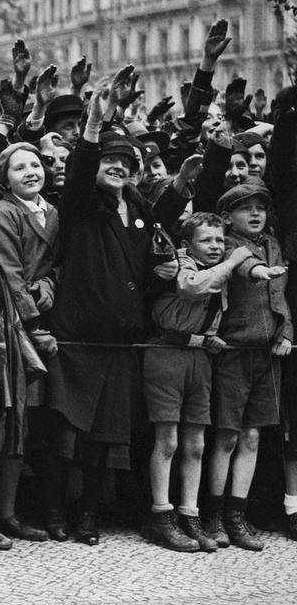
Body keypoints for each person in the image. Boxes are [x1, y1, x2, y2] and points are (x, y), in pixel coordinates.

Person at [46, 72, 154, 546]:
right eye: (109, 158)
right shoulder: (81, 206)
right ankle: (53, 512)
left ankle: (88, 515)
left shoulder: (140, 212)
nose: (116, 166)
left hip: (120, 342)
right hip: (78, 339)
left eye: (124, 161)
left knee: (104, 439)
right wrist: (93, 125)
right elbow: (79, 171)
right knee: (64, 434)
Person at [142, 211, 249, 553]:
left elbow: (214, 312)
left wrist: (210, 337)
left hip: (198, 359)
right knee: (168, 440)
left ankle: (190, 514)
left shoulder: (220, 273)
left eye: (220, 240)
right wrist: (233, 261)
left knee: (196, 443)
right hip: (166, 357)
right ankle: (162, 515)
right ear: (189, 244)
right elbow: (191, 289)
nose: (216, 246)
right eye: (207, 239)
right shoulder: (183, 264)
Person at [201, 182, 291, 551]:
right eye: (245, 209)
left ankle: (237, 515)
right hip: (233, 352)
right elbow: (248, 269)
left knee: (252, 436)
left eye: (260, 208)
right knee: (226, 435)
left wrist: (285, 330)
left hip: (267, 354)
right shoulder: (229, 246)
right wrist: (258, 271)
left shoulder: (273, 243)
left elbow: (279, 294)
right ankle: (214, 513)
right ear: (227, 217)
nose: (256, 214)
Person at [0, 142, 58, 543]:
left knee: (26, 422)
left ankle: (9, 510)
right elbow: (9, 271)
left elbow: (55, 263)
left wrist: (50, 283)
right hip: (13, 325)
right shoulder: (4, 213)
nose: (30, 172)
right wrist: (34, 320)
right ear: (4, 178)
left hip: (40, 318)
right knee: (7, 417)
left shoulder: (52, 212)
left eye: (35, 164)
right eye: (19, 168)